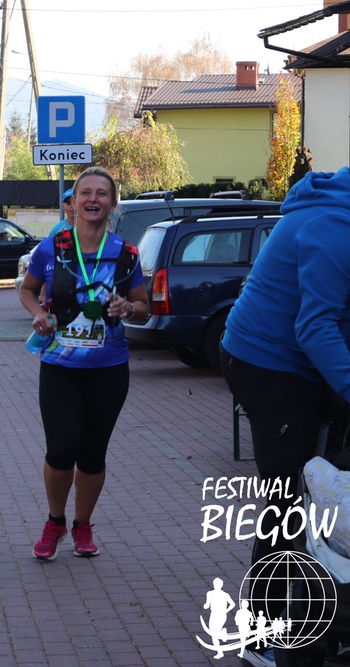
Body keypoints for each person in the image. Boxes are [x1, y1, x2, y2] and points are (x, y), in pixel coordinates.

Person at [221, 167, 350, 667]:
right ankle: (261, 637)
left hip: (305, 363)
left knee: (330, 490)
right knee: (287, 502)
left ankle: (329, 621)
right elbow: (315, 326)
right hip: (267, 364)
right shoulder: (333, 228)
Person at [18, 166, 148, 560]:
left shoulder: (125, 254)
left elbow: (143, 307)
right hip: (60, 367)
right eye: (86, 193)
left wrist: (129, 308)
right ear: (73, 202)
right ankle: (55, 521)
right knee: (60, 450)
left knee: (92, 454)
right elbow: (27, 290)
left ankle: (82, 525)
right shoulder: (52, 248)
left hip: (109, 369)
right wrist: (37, 313)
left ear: (113, 203)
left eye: (102, 193)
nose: (93, 199)